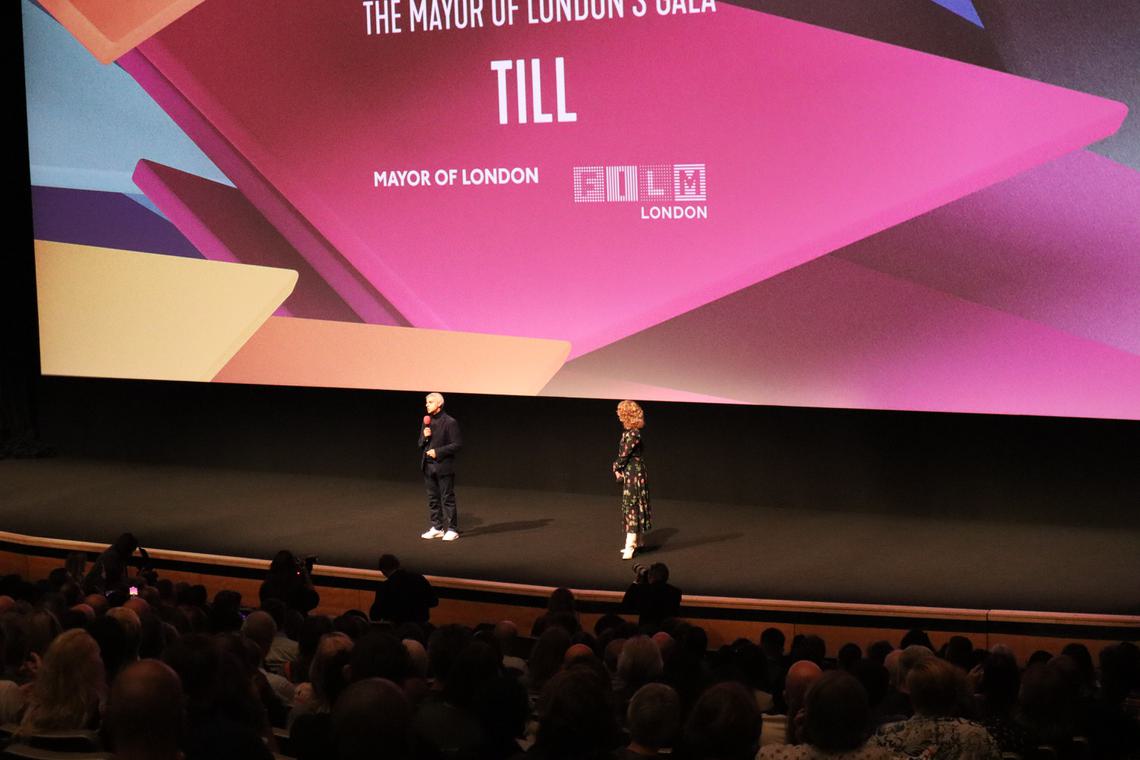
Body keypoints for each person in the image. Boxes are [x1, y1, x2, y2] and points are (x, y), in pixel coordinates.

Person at [419, 392, 463, 541]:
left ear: (439, 404)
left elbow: (457, 445)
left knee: (447, 498)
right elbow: (420, 444)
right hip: (428, 466)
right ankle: (437, 527)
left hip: (443, 466)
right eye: (426, 402)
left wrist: (437, 452)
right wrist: (425, 437)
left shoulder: (450, 422)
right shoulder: (427, 421)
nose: (427, 405)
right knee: (433, 499)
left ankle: (452, 529)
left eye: (430, 402)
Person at [613, 399, 651, 560]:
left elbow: (624, 455)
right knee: (633, 504)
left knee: (633, 505)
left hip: (635, 473)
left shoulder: (634, 433)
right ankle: (638, 542)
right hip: (632, 471)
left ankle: (631, 544)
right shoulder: (629, 433)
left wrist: (616, 466)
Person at [369, 554, 438, 625]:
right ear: (397, 565)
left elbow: (374, 615)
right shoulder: (419, 578)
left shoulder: (385, 587)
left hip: (396, 630)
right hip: (420, 628)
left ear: (383, 570)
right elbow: (434, 602)